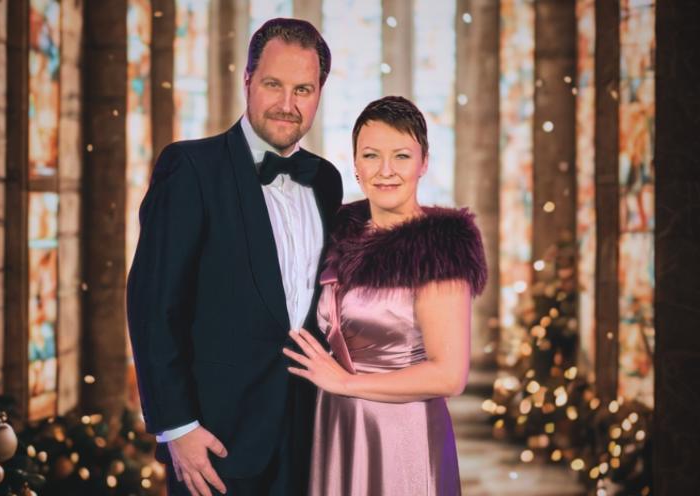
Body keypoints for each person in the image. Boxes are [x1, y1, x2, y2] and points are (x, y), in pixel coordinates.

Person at [126, 18, 343, 496]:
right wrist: (177, 427)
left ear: (319, 93)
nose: (287, 104)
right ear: (247, 81)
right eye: (273, 84)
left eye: (303, 89)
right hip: (213, 443)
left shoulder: (326, 180)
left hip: (309, 437)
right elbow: (153, 307)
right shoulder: (190, 168)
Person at [284, 96, 487, 495]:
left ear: (423, 163)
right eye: (371, 155)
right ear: (355, 164)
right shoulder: (337, 233)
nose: (386, 171)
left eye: (402, 156)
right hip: (336, 423)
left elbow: (449, 375)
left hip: (402, 435)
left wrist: (346, 384)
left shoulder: (437, 248)